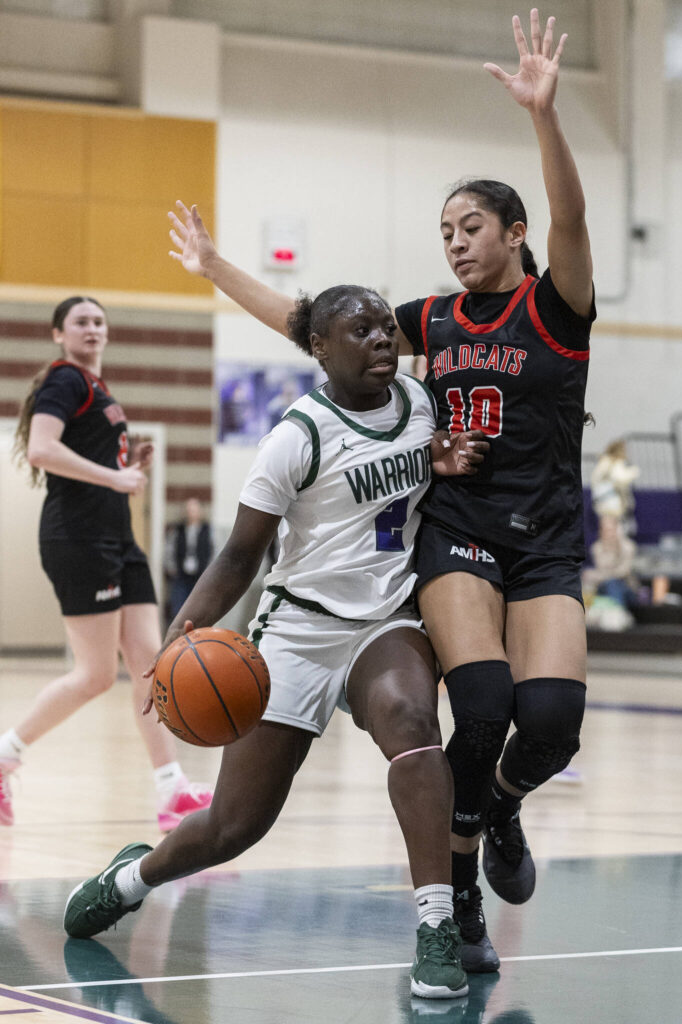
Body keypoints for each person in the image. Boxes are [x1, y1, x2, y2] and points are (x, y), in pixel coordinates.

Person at [158, 9, 595, 971]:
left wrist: (544, 117)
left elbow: (570, 218)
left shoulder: (556, 307)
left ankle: (508, 811)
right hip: (460, 533)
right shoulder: (429, 319)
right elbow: (314, 323)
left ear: (513, 233)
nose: (453, 242)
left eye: (470, 226)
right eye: (442, 231)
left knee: (552, 724)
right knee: (477, 709)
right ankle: (461, 890)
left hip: (549, 537)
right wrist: (217, 267)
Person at [63, 285, 491, 1000]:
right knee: (235, 826)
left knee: (414, 723)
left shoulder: (420, 406)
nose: (384, 339)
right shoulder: (296, 435)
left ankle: (435, 929)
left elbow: (430, 477)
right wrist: (182, 632)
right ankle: (133, 877)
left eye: (387, 327)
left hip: (385, 621)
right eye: (362, 330)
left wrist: (440, 460)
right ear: (320, 348)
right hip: (297, 629)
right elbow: (239, 555)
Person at [0, 297, 212, 833]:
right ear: (58, 334)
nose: (93, 328)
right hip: (79, 538)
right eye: (80, 322)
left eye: (99, 321)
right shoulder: (65, 381)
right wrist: (116, 479)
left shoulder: (98, 390)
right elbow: (43, 451)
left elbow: (86, 455)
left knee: (150, 666)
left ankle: (173, 791)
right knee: (95, 675)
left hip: (119, 537)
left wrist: (125, 462)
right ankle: (5, 757)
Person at [167, 497, 213, 620]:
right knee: (179, 607)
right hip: (181, 575)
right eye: (188, 510)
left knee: (200, 608)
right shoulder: (178, 530)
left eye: (194, 510)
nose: (191, 513)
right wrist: (172, 568)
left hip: (200, 575)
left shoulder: (207, 530)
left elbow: (213, 551)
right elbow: (170, 549)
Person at [590, 439, 640, 536]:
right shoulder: (613, 462)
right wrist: (633, 472)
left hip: (604, 501)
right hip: (610, 501)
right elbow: (619, 478)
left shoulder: (604, 461)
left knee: (609, 527)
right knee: (612, 528)